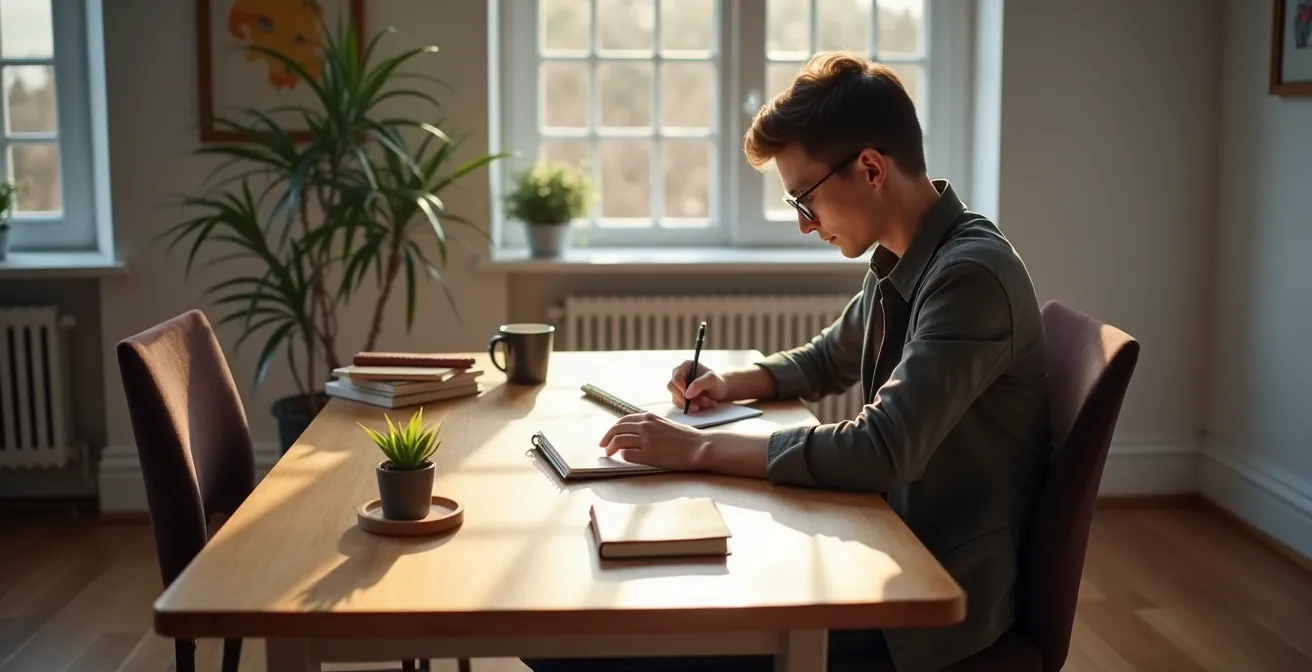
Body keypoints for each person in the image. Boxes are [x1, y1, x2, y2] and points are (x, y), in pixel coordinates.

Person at [523, 50, 1050, 672]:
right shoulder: (905, 259)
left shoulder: (969, 277)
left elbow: (883, 449)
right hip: (885, 547)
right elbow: (829, 359)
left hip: (925, 600)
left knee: (572, 647)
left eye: (805, 199)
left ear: (872, 169)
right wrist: (730, 381)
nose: (805, 225)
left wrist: (697, 449)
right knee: (578, 629)